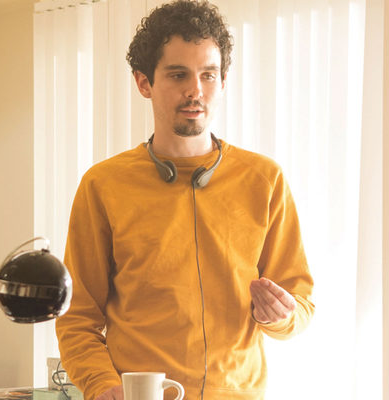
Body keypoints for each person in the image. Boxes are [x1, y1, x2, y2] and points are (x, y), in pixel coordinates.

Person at [55, 1, 315, 399]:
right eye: (178, 75)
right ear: (144, 83)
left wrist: (281, 315)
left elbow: (300, 304)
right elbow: (77, 318)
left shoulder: (264, 180)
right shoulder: (103, 185)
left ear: (222, 81)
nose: (196, 90)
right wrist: (102, 385)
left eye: (208, 75)